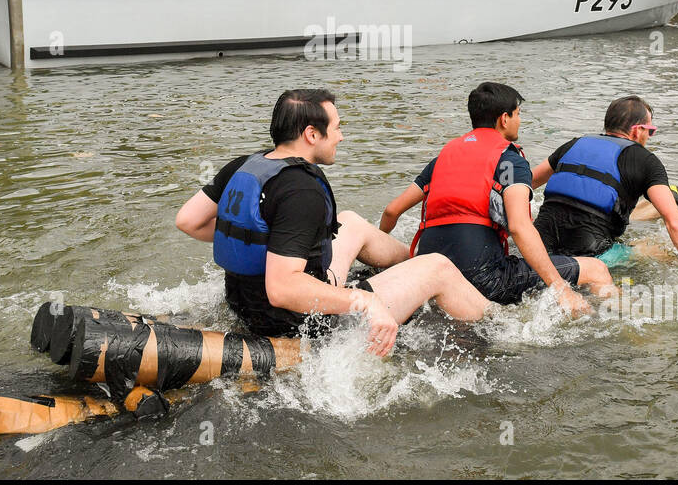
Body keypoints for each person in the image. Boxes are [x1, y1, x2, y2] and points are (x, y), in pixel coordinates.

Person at [174, 89, 491, 354]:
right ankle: (503, 327)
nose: (341, 135)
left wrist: (266, 246)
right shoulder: (301, 190)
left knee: (350, 222)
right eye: (337, 127)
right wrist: (365, 301)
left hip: (244, 305)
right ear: (312, 134)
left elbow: (189, 220)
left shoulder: (245, 165)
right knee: (438, 266)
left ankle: (411, 268)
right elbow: (282, 289)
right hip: (303, 322)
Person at [380, 82, 589, 314]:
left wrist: (381, 243)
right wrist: (560, 288)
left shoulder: (443, 157)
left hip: (428, 271)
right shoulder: (510, 161)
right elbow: (520, 227)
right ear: (504, 119)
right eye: (518, 114)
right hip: (483, 277)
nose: (519, 120)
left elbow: (392, 210)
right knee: (596, 270)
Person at [530, 96, 678, 290]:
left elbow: (525, 184)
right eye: (650, 131)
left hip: (537, 251)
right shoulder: (646, 161)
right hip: (592, 257)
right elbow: (675, 223)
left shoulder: (573, 145)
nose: (649, 137)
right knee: (663, 249)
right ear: (638, 131)